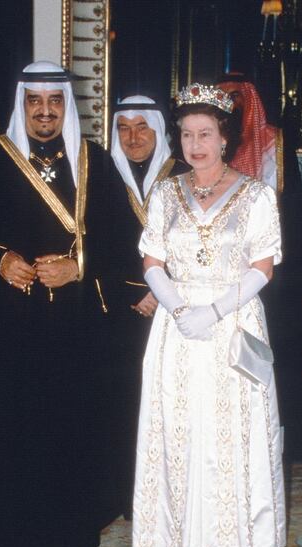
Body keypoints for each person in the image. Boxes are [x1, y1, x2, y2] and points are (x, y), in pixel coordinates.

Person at [0, 61, 131, 547]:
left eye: (54, 102)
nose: (45, 112)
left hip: (74, 330)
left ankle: (65, 532)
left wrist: (79, 267)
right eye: (35, 101)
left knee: (67, 429)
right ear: (21, 104)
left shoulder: (95, 161)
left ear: (66, 106)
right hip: (3, 331)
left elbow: (129, 242)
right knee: (7, 429)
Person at [134, 83, 286, 547]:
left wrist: (214, 311)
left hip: (233, 319)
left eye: (205, 134)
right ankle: (175, 540)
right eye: (185, 135)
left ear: (225, 139)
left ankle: (231, 543)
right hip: (176, 327)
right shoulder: (164, 192)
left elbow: (263, 267)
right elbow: (152, 259)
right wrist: (179, 310)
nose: (194, 145)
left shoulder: (256, 195)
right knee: (178, 429)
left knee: (230, 432)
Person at [217, 73, 302, 444]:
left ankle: (277, 439)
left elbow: (296, 216)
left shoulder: (277, 143)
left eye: (238, 96)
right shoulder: (207, 144)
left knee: (276, 358)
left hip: (275, 277)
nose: (232, 104)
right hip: (221, 276)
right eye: (224, 97)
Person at [108, 95, 190, 517]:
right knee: (123, 404)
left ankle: (171, 498)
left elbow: (196, 242)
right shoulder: (103, 175)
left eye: (143, 127)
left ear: (159, 131)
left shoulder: (184, 175)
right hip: (119, 311)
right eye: (124, 128)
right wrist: (133, 291)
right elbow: (96, 242)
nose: (133, 137)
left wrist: (162, 290)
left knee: (171, 402)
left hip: (175, 305)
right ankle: (124, 495)